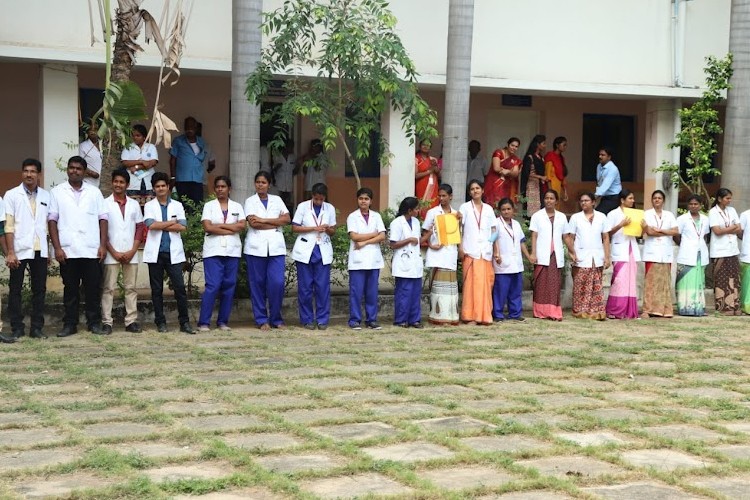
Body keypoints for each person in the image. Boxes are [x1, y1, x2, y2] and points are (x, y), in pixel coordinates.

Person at [49, 156, 108, 337]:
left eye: (78, 168)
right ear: (67, 170)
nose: (74, 171)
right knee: (70, 290)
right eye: (71, 167)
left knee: (92, 289)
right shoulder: (57, 192)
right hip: (68, 250)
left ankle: (94, 323)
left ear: (84, 172)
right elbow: (52, 221)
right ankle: (70, 325)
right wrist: (57, 248)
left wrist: (103, 245)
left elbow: (103, 219)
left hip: (91, 250)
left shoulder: (94, 192)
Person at [4, 158, 50, 341]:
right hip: (19, 249)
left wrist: (50, 251)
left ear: (39, 174)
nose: (29, 174)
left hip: (40, 249)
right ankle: (17, 327)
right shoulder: (12, 195)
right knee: (15, 289)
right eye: (26, 171)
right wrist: (10, 251)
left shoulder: (47, 196)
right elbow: (8, 225)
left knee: (39, 290)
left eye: (32, 171)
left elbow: (49, 224)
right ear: (22, 173)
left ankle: (37, 328)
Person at [144, 172, 194, 334]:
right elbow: (150, 226)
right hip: (156, 253)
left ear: (168, 187)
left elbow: (183, 227)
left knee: (179, 288)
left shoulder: (177, 205)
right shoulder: (149, 205)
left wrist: (162, 224)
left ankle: (184, 322)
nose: (160, 189)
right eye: (157, 186)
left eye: (163, 186)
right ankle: (160, 322)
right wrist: (172, 223)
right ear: (154, 189)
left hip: (173, 253)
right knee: (156, 289)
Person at [197, 176, 246, 332]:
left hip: (232, 250)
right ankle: (204, 322)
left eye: (223, 186)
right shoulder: (209, 206)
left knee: (229, 286)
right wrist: (230, 227)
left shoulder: (237, 206)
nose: (220, 189)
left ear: (229, 189)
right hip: (213, 250)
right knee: (213, 285)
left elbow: (242, 226)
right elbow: (208, 227)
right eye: (217, 186)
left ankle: (222, 321)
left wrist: (220, 226)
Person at [244, 171, 291, 330]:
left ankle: (276, 318)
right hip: (256, 247)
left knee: (277, 283)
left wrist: (264, 219)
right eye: (257, 182)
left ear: (269, 184)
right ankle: (261, 319)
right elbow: (253, 224)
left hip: (276, 247)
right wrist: (275, 223)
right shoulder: (250, 201)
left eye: (263, 182)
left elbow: (287, 219)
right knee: (257, 284)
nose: (260, 185)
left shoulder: (277, 200)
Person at [101, 169, 145, 335]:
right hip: (111, 252)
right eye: (116, 181)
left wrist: (134, 249)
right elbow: (102, 230)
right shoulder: (104, 203)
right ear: (112, 182)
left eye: (122, 182)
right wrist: (112, 251)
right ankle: (107, 322)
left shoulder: (134, 204)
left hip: (131, 251)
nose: (118, 185)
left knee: (131, 288)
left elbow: (140, 227)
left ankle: (131, 321)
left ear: (127, 184)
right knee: (108, 288)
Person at [291, 183, 336, 330]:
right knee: (305, 288)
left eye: (321, 199)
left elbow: (333, 231)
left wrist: (328, 228)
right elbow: (295, 227)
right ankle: (307, 319)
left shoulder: (330, 208)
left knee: (322, 288)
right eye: (316, 199)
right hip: (305, 251)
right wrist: (313, 228)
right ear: (312, 196)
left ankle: (322, 319)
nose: (318, 202)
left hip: (322, 250)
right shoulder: (303, 207)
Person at [565, 192, 611, 320]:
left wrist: (607, 257)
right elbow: (570, 237)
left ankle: (597, 311)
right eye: (581, 201)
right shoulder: (575, 217)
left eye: (586, 200)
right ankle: (580, 310)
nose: (584, 203)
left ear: (593, 202)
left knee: (596, 285)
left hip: (597, 256)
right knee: (580, 284)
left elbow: (606, 237)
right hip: (581, 255)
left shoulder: (602, 217)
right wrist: (571, 252)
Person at [459, 179, 498, 325]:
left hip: (485, 252)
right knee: (470, 286)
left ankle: (484, 316)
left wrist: (494, 248)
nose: (475, 191)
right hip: (471, 251)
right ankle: (470, 316)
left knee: (485, 286)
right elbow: (459, 229)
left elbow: (494, 230)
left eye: (477, 188)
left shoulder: (488, 209)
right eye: (472, 189)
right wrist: (460, 247)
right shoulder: (464, 207)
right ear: (469, 192)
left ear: (482, 190)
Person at [347, 187, 386, 330]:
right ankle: (355, 320)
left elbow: (382, 236)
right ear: (357, 200)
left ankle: (371, 319)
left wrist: (364, 242)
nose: (363, 201)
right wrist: (373, 234)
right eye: (361, 198)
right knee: (356, 292)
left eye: (366, 199)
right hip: (358, 261)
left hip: (373, 259)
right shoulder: (352, 216)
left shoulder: (376, 216)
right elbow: (354, 236)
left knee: (372, 292)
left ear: (371, 201)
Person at [421, 184, 461, 325]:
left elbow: (458, 234)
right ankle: (437, 316)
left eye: (444, 196)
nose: (442, 198)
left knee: (450, 287)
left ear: (451, 196)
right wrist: (431, 245)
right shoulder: (433, 212)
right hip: (437, 254)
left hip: (450, 254)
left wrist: (460, 221)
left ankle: (451, 316)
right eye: (440, 195)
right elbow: (425, 234)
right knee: (438, 287)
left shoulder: (456, 214)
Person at [529, 189, 568, 321]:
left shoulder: (562, 217)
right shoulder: (537, 216)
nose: (549, 201)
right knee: (541, 285)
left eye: (552, 198)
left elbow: (566, 237)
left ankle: (554, 312)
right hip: (541, 254)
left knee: (554, 285)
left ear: (556, 201)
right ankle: (540, 312)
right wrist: (533, 253)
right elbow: (534, 235)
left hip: (555, 255)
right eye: (546, 198)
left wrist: (572, 252)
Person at [492, 198, 531, 322]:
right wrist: (496, 253)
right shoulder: (496, 223)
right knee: (500, 290)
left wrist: (528, 256)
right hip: (502, 262)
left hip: (516, 262)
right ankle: (498, 314)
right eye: (503, 209)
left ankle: (515, 313)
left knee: (516, 290)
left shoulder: (517, 224)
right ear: (499, 211)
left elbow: (521, 242)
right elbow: (492, 239)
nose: (506, 212)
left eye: (508, 209)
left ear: (513, 210)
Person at [641, 190, 678, 318]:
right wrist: (665, 232)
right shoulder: (646, 214)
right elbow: (649, 232)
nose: (657, 200)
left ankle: (665, 310)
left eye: (659, 198)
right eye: (655, 198)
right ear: (652, 200)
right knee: (651, 282)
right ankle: (648, 309)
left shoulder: (669, 215)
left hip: (665, 252)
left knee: (664, 282)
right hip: (652, 252)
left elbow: (675, 231)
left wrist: (660, 230)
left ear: (663, 201)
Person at [605, 189, 640, 319]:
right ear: (622, 200)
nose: (633, 201)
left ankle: (629, 310)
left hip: (632, 249)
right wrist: (621, 225)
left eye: (633, 198)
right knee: (619, 281)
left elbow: (639, 233)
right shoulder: (612, 214)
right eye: (630, 198)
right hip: (619, 250)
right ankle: (615, 309)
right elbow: (607, 234)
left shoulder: (635, 214)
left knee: (631, 281)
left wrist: (642, 226)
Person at [390, 196, 424, 328]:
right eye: (416, 208)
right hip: (403, 261)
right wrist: (409, 240)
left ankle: (414, 319)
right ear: (409, 210)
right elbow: (393, 244)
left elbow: (418, 240)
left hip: (415, 261)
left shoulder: (415, 222)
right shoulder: (397, 222)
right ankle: (401, 319)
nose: (418, 210)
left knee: (415, 293)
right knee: (404, 293)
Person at [708, 187, 741, 315]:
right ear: (720, 199)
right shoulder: (713, 212)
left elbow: (739, 228)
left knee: (734, 278)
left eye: (730, 198)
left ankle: (734, 307)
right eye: (727, 198)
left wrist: (727, 228)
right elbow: (717, 231)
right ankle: (723, 307)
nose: (729, 200)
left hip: (732, 249)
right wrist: (732, 227)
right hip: (719, 250)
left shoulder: (731, 210)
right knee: (722, 279)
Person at [674, 194, 709, 316]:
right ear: (687, 205)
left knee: (699, 281)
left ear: (700, 205)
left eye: (696, 204)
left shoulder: (705, 219)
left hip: (700, 254)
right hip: (686, 253)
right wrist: (684, 245)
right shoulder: (682, 219)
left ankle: (699, 308)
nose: (693, 206)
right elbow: (676, 235)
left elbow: (705, 236)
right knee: (686, 281)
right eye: (691, 204)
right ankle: (685, 308)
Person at [170, 116, 209, 207]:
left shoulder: (201, 141)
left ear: (196, 128)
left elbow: (203, 158)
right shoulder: (178, 141)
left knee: (197, 204)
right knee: (183, 204)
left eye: (191, 127)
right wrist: (172, 177)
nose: (189, 129)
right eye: (187, 127)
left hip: (197, 178)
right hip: (182, 179)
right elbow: (172, 160)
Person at [120, 124, 158, 206]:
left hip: (148, 181)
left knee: (148, 207)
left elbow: (152, 163)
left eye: (138, 135)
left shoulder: (151, 147)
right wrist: (141, 162)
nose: (135, 138)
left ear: (144, 137)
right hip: (133, 182)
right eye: (133, 136)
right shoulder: (128, 147)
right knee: (132, 207)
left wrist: (136, 167)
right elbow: (125, 162)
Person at [485, 137, 521, 208]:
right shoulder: (498, 153)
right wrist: (510, 171)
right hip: (494, 182)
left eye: (516, 146)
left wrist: (507, 171)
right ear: (508, 145)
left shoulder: (515, 159)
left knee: (504, 204)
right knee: (492, 203)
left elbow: (515, 173)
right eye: (512, 145)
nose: (514, 148)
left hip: (506, 186)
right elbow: (496, 168)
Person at [520, 134, 548, 216]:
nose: (545, 146)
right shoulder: (530, 157)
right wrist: (540, 177)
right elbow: (526, 172)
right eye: (543, 143)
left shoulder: (540, 157)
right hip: (531, 185)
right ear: (537, 144)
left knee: (540, 207)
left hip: (539, 185)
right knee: (531, 208)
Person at [415, 139, 440, 217]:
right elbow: (415, 176)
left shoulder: (433, 159)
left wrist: (435, 167)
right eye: (424, 145)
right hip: (421, 186)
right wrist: (429, 172)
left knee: (433, 205)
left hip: (434, 187)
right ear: (420, 146)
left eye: (428, 145)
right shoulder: (416, 159)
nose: (426, 147)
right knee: (423, 206)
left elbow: (439, 175)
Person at [594, 148, 622, 215]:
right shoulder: (599, 166)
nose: (600, 157)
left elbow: (605, 185)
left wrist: (594, 196)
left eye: (603, 155)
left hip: (614, 197)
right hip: (605, 197)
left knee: (598, 215)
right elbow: (599, 183)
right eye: (599, 155)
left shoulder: (613, 168)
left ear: (609, 157)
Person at [273, 138, 297, 211]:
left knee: (288, 203)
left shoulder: (293, 157)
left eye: (292, 146)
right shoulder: (277, 156)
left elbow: (294, 172)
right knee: (278, 201)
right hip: (279, 183)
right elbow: (272, 170)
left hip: (288, 184)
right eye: (290, 146)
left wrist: (298, 165)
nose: (291, 148)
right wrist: (277, 167)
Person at [544, 136, 568, 202]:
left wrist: (565, 192)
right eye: (564, 145)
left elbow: (563, 177)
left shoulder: (562, 158)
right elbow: (547, 175)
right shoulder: (550, 155)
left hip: (558, 187)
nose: (565, 147)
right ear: (557, 145)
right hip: (551, 186)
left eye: (566, 145)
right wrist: (550, 191)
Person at [739, 206, 750, 314]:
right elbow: (739, 232)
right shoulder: (745, 214)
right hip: (748, 253)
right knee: (747, 282)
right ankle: (746, 306)